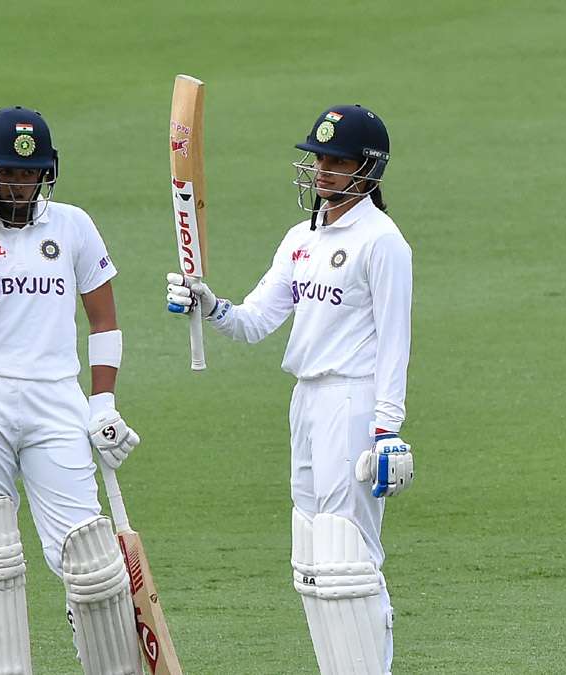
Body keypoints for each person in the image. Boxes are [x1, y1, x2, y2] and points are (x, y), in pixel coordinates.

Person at [166, 104, 415, 674]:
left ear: (368, 170)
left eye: (337, 161)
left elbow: (395, 341)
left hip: (352, 402)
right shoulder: (299, 238)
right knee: (311, 552)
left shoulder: (383, 243)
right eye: (319, 159)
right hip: (306, 401)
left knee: (349, 550)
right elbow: (254, 321)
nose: (322, 171)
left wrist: (387, 430)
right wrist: (208, 304)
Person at [0, 106, 144, 674]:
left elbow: (104, 321)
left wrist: (103, 402)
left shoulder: (73, 225)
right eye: (7, 173)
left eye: (31, 173)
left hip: (56, 400)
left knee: (93, 560)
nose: (20, 184)